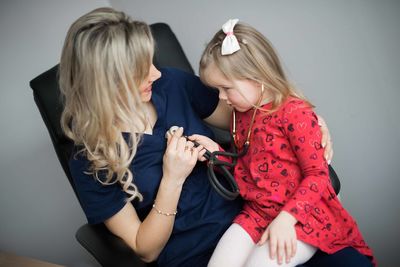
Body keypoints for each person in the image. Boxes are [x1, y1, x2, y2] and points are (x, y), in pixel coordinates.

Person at [59, 8, 333, 267]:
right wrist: (172, 180)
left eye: (151, 61)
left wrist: (307, 123)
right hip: (195, 255)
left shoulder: (171, 83)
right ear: (105, 82)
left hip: (258, 216)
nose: (155, 72)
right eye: (139, 70)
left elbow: (257, 116)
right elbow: (146, 249)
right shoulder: (90, 159)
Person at [190, 19, 375, 267]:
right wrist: (218, 154)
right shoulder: (242, 113)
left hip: (303, 216)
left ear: (256, 78)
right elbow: (251, 167)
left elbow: (318, 176)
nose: (222, 98)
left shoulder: (295, 113)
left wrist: (286, 220)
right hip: (258, 212)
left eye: (226, 89)